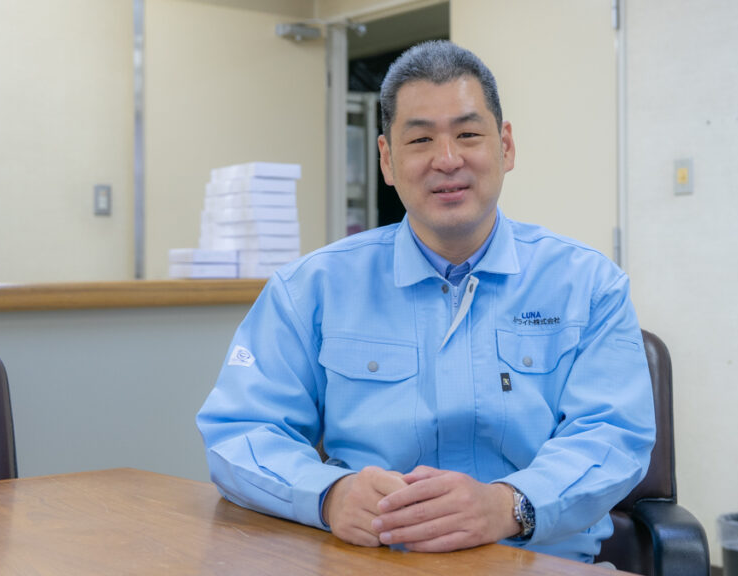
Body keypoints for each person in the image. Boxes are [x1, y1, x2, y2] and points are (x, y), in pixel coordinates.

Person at [196, 40, 655, 564]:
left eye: (468, 134)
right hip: (371, 560)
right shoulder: (310, 289)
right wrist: (327, 495)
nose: (447, 160)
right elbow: (240, 431)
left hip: (539, 561)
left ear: (505, 146)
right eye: (420, 140)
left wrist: (509, 505)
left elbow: (614, 435)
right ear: (387, 160)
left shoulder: (589, 284)